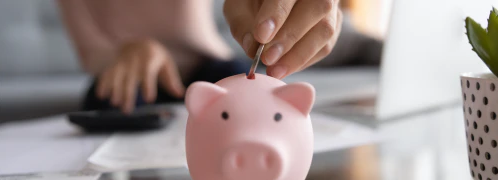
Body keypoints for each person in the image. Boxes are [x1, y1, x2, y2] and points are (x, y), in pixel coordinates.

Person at [57, 0, 343, 114]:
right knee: (110, 99)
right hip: (128, 74)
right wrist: (128, 52)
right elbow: (91, 53)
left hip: (205, 66)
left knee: (248, 92)